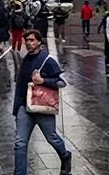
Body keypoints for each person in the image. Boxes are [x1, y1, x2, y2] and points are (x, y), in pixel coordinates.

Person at [12, 30, 71, 175]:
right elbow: (20, 85)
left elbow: (61, 82)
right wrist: (17, 108)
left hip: (42, 106)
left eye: (32, 40)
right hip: (24, 107)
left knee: (52, 138)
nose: (28, 43)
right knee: (20, 143)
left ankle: (65, 156)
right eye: (27, 40)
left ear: (39, 42)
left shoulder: (47, 60)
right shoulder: (25, 59)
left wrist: (43, 80)